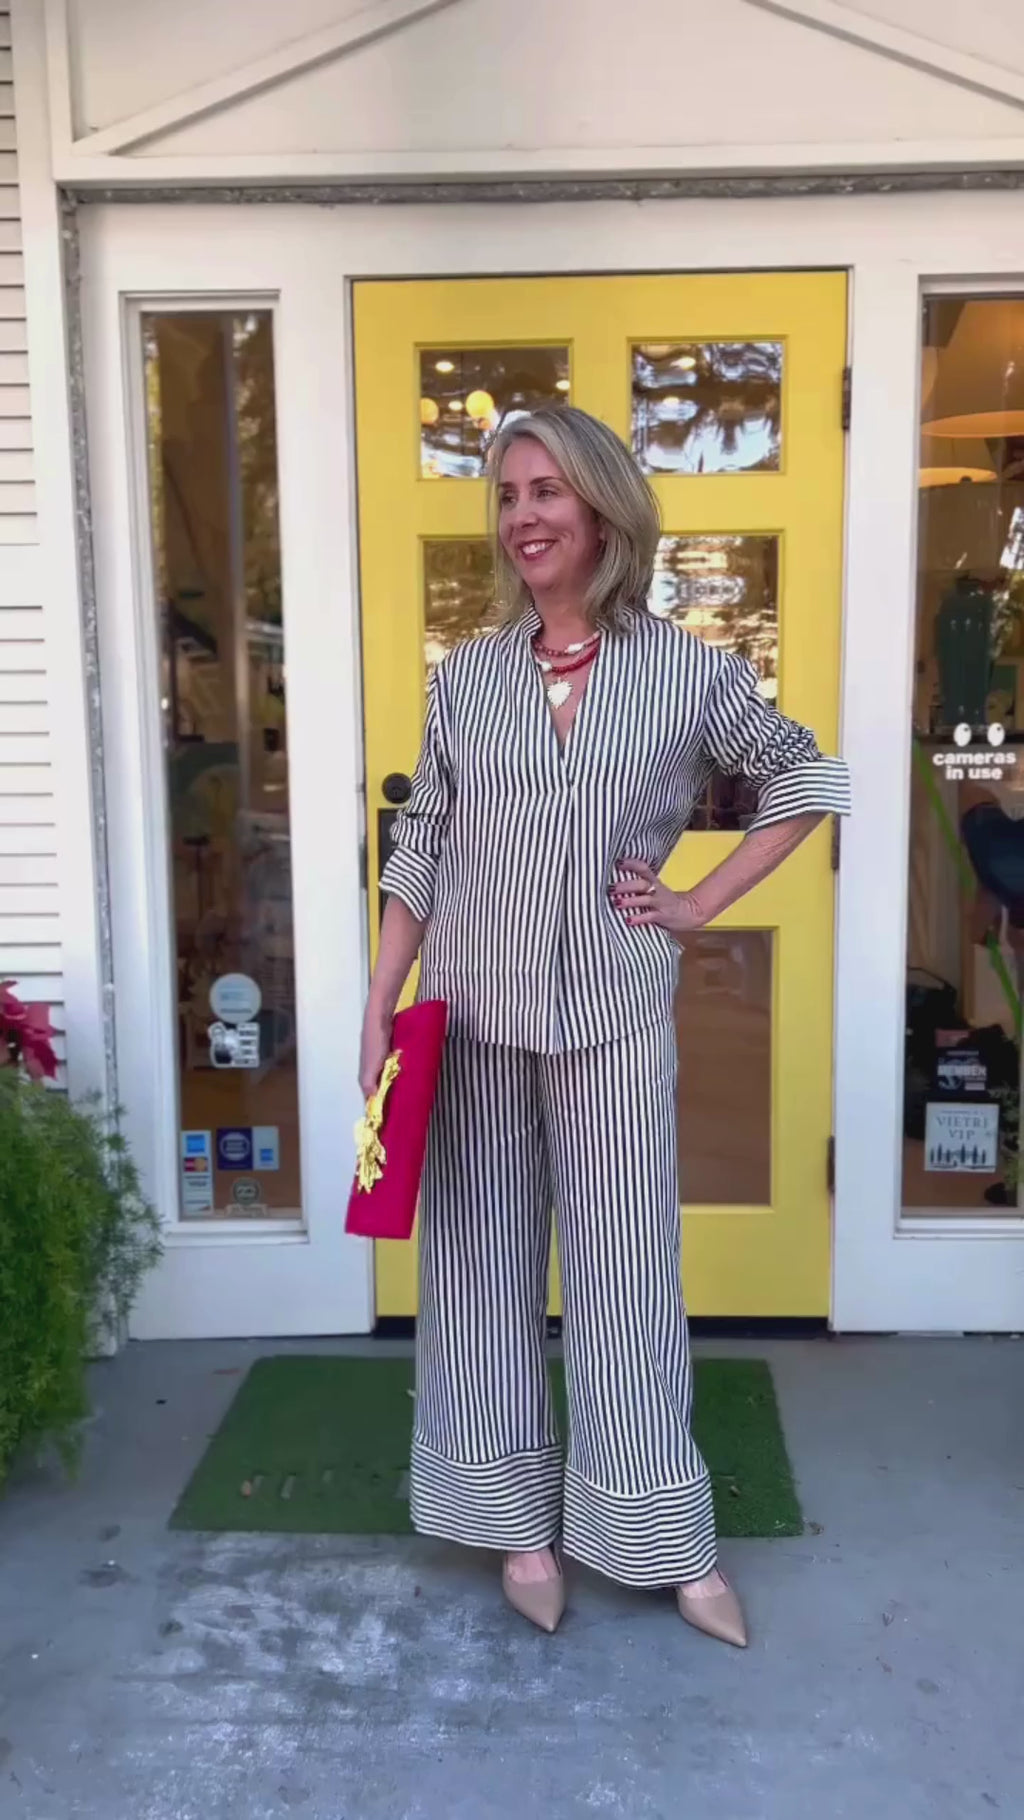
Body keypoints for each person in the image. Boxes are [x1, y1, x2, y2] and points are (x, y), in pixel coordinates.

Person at [360, 405, 850, 1644]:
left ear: (601, 507)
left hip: (612, 1011)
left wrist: (695, 901)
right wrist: (380, 998)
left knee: (626, 1268)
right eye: (507, 494)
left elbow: (805, 780)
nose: (522, 515)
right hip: (472, 1008)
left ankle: (658, 1531)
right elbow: (421, 842)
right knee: (477, 1265)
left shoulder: (688, 671)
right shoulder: (466, 678)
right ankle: (514, 1521)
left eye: (546, 491)